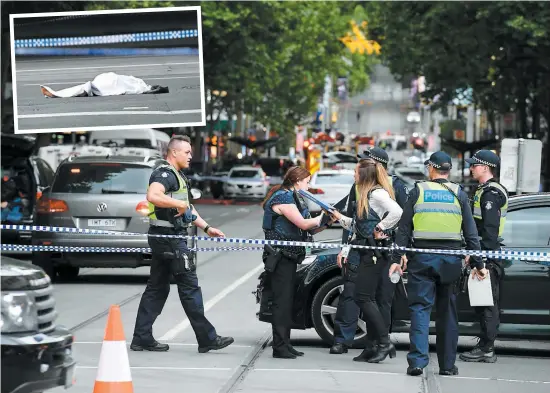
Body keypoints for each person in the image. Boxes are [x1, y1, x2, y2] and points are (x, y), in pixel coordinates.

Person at [131, 135, 234, 353]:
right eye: (187, 152)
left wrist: (207, 228)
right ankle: (207, 339)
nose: (190, 156)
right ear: (174, 152)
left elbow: (188, 208)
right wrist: (178, 203)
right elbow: (153, 195)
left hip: (165, 237)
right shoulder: (165, 174)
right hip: (169, 239)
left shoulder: (178, 176)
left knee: (157, 288)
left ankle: (141, 337)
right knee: (189, 286)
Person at [389, 151, 485, 377]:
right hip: (451, 261)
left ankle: (417, 363)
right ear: (448, 170)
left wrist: (397, 258)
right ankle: (447, 366)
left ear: (432, 168)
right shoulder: (459, 193)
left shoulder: (418, 191)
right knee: (448, 313)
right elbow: (471, 233)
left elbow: (404, 229)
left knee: (420, 310)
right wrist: (479, 263)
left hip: (421, 259)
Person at [329, 147, 409, 357]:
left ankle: (381, 343)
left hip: (377, 253)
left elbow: (400, 214)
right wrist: (339, 219)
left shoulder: (380, 191)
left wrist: (382, 229)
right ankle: (376, 345)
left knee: (371, 298)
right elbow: (359, 225)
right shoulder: (361, 190)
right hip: (365, 252)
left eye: (358, 168)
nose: (355, 173)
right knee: (359, 296)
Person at [261, 166, 334, 359]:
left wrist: (326, 222)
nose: (309, 185)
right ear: (297, 180)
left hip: (291, 257)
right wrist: (322, 216)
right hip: (280, 257)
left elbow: (308, 230)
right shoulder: (283, 197)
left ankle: (285, 343)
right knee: (281, 303)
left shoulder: (294, 197)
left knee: (288, 302)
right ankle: (280, 346)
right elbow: (303, 223)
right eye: (307, 181)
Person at [460, 150, 508, 363]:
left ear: (485, 167)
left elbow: (489, 231)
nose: (471, 168)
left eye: (474, 165)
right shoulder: (484, 191)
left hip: (487, 255)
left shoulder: (491, 194)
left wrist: (479, 257)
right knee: (482, 302)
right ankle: (484, 344)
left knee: (486, 302)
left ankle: (487, 348)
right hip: (484, 253)